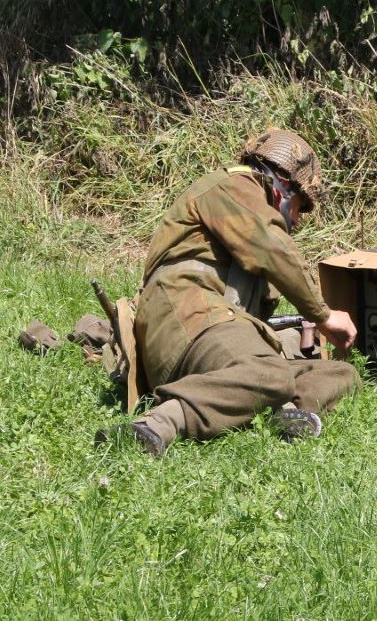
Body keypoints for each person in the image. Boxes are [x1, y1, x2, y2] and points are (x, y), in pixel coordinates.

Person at [95, 129, 361, 455]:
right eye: (299, 206)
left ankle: (279, 410)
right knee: (271, 374)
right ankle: (156, 424)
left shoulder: (246, 210)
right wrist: (323, 316)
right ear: (282, 186)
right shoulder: (235, 185)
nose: (297, 219)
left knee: (341, 373)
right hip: (186, 318)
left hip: (214, 328)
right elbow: (274, 249)